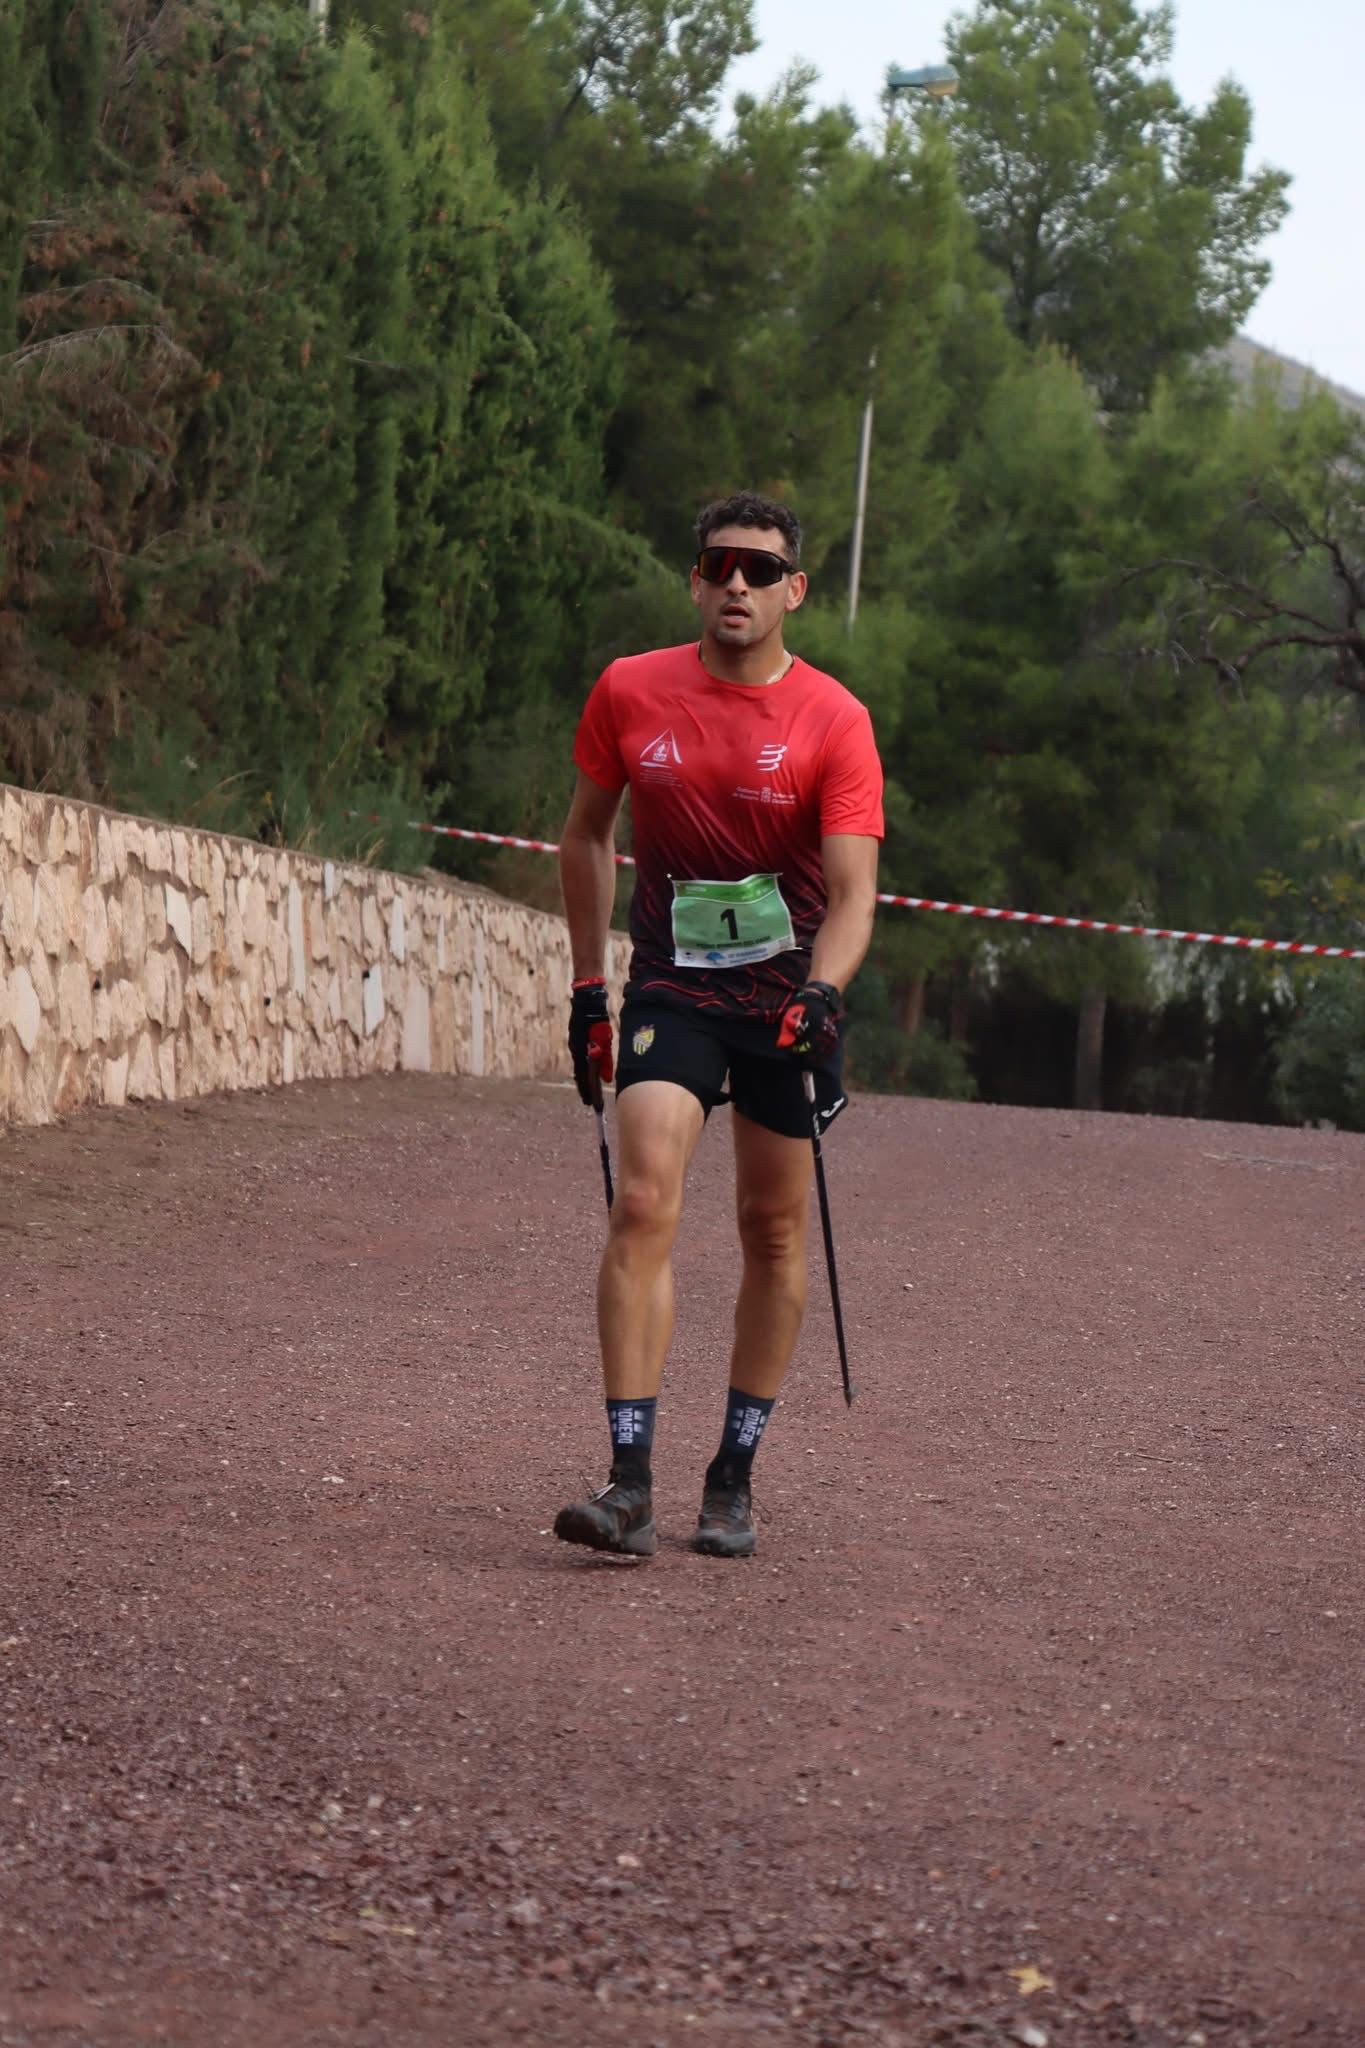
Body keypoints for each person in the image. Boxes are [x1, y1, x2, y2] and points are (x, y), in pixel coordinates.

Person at [554, 491, 884, 1560]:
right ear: (694, 580)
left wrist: (823, 992)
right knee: (644, 1196)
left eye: (759, 567)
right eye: (717, 565)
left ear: (794, 589)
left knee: (771, 1230)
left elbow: (852, 890)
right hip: (673, 987)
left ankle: (733, 1472)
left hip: (786, 998)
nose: (736, 583)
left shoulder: (834, 718)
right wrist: (586, 989)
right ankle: (628, 1479)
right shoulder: (631, 690)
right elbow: (585, 837)